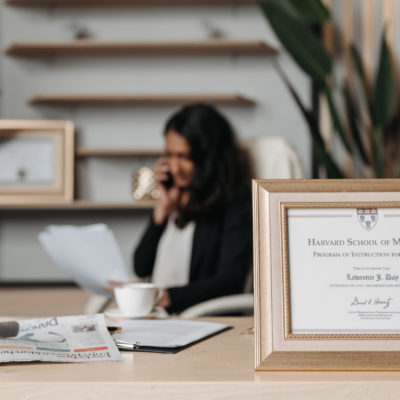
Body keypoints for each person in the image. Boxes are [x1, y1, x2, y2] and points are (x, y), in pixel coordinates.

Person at [134, 103, 253, 314]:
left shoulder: (237, 202)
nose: (174, 167)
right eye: (169, 155)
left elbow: (230, 280)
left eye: (184, 157)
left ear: (208, 158)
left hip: (198, 321)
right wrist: (161, 211)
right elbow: (141, 267)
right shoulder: (176, 196)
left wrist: (167, 297)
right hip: (159, 318)